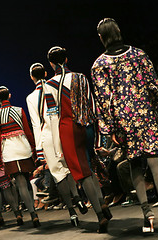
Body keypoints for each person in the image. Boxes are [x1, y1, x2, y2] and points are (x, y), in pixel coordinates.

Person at [91, 18, 158, 236]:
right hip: (145, 115)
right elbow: (154, 86)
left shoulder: (99, 65)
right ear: (118, 32)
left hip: (124, 122)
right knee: (154, 162)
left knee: (136, 166)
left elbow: (103, 101)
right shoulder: (139, 54)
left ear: (101, 37)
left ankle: (148, 215)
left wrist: (110, 131)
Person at [46, 47, 112, 233]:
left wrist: (58, 146)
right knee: (90, 166)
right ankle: (102, 203)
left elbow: (53, 116)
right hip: (88, 126)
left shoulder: (49, 84)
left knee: (83, 174)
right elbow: (92, 104)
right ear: (67, 59)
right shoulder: (81, 77)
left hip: (69, 130)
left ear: (51, 64)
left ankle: (100, 215)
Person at [26, 63, 88, 226]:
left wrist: (39, 151)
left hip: (46, 136)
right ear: (45, 73)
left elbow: (35, 124)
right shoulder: (54, 85)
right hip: (61, 131)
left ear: (32, 77)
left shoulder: (31, 97)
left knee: (57, 174)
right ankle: (78, 197)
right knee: (68, 168)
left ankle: (72, 211)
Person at [0, 86, 40, 227]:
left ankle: (25, 213)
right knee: (26, 181)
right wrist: (34, 148)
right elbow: (27, 131)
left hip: (10, 152)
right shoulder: (19, 110)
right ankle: (33, 214)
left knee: (19, 184)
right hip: (23, 148)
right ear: (10, 96)